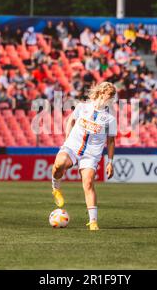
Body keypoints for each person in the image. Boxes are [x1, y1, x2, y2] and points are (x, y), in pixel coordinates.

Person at [51, 82, 116, 231]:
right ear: (102, 92)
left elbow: (111, 141)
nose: (112, 98)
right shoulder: (83, 107)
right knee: (59, 164)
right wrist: (67, 137)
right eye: (110, 95)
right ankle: (56, 188)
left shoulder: (110, 118)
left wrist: (110, 162)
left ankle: (93, 222)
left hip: (91, 154)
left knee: (88, 183)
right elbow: (71, 120)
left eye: (113, 96)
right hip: (73, 146)